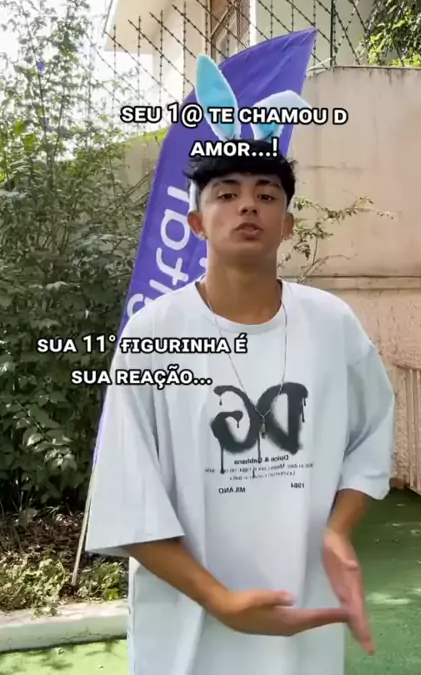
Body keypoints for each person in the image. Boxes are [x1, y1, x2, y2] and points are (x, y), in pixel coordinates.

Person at [85, 131, 395, 675]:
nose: (248, 205)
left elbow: (372, 436)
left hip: (300, 604)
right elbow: (127, 497)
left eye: (266, 194)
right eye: (226, 194)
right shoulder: (154, 333)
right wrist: (221, 602)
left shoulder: (332, 324)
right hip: (188, 622)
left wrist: (338, 529)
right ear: (197, 223)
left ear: (287, 224)